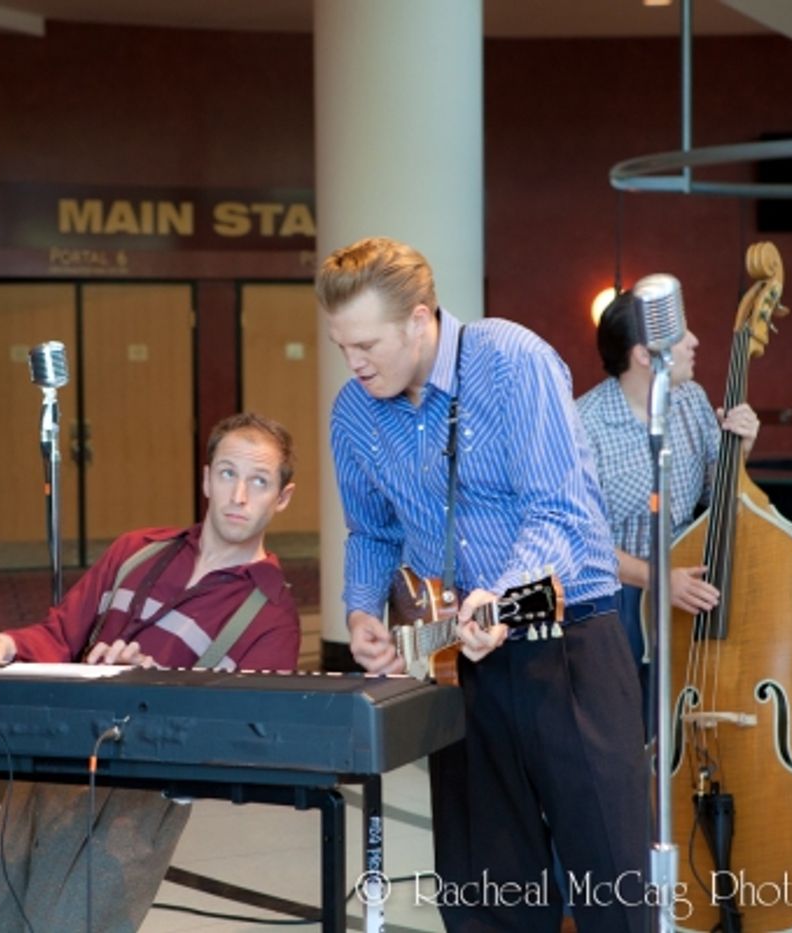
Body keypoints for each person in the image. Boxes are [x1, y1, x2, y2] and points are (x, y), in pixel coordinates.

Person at [319, 237, 648, 933]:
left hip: (570, 647)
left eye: (367, 342)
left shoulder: (510, 360)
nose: (354, 362)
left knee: (611, 883)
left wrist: (499, 591)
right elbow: (371, 531)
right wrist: (359, 612)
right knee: (485, 898)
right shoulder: (354, 412)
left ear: (418, 317)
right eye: (341, 345)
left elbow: (559, 504)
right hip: (459, 667)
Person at [0, 411, 301, 933]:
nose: (239, 496)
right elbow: (60, 635)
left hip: (139, 803)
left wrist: (153, 689)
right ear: (206, 478)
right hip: (52, 764)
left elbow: (247, 741)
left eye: (259, 482)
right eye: (228, 474)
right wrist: (3, 643)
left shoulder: (271, 613)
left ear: (282, 497)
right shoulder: (136, 551)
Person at [575, 289, 759, 685]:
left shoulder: (691, 400)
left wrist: (738, 452)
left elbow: (719, 500)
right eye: (681, 334)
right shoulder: (584, 426)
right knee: (630, 732)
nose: (694, 341)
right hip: (615, 605)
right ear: (644, 354)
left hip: (687, 595)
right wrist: (659, 580)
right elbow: (581, 542)